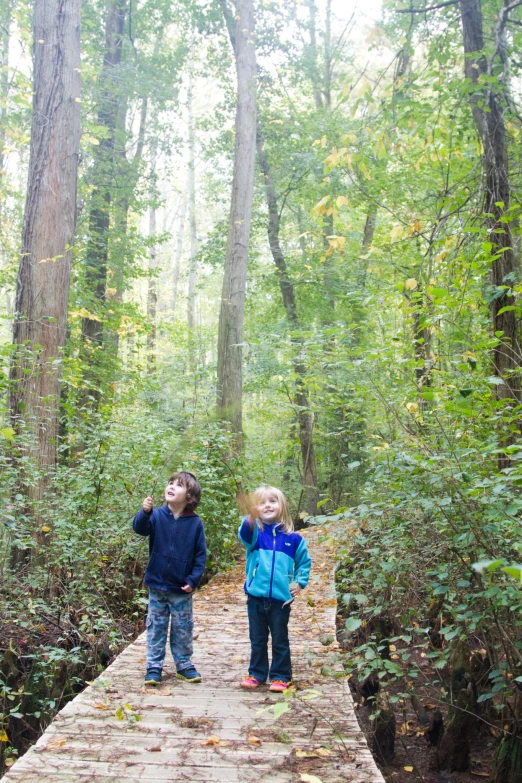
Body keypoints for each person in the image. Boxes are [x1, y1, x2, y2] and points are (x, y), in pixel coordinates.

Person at [133, 471, 206, 686]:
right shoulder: (155, 516)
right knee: (156, 625)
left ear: (190, 496)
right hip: (157, 584)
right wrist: (144, 512)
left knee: (183, 627)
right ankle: (154, 666)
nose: (171, 487)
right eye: (170, 482)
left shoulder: (195, 523)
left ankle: (184, 663)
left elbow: (200, 555)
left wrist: (193, 580)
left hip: (181, 587)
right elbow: (139, 529)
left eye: (179, 485)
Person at [238, 485, 312, 692]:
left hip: (281, 598)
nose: (267, 505)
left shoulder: (294, 539)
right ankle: (256, 673)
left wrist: (299, 582)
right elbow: (244, 534)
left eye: (272, 501)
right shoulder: (256, 535)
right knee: (258, 639)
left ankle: (280, 675)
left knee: (280, 638)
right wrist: (250, 518)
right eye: (261, 502)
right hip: (255, 597)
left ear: (282, 506)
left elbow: (304, 563)